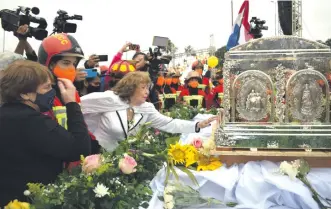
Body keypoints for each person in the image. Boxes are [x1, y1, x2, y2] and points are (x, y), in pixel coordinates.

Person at [0, 60, 91, 206]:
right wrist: (72, 104)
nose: (51, 92)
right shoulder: (33, 121)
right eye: (46, 87)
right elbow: (80, 149)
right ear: (24, 94)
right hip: (32, 201)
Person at [80, 71, 216, 152]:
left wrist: (197, 125)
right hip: (97, 154)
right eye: (143, 87)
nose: (147, 92)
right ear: (130, 88)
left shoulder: (147, 108)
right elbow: (77, 106)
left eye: (148, 88)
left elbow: (169, 124)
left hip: (124, 160)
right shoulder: (109, 99)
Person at [37, 33, 100, 156]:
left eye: (74, 63)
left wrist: (93, 144)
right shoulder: (39, 96)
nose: (72, 68)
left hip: (73, 158)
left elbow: (80, 124)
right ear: (49, 65)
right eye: (66, 63)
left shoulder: (71, 92)